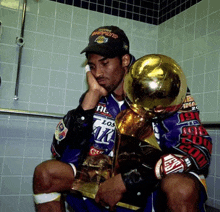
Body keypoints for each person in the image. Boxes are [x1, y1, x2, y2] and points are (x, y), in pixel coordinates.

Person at [33, 25, 212, 212]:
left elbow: (196, 148)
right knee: (46, 173)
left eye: (105, 63)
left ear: (125, 60)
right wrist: (89, 101)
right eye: (93, 67)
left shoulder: (160, 86)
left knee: (182, 188)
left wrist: (129, 179)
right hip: (105, 174)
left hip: (153, 177)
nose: (98, 74)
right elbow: (65, 153)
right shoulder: (95, 96)